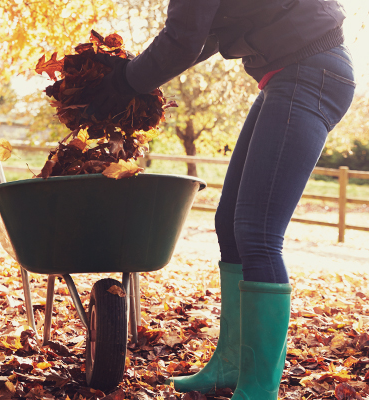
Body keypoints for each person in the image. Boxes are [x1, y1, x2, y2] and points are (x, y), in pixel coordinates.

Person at [88, 0, 355, 398]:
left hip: (310, 70)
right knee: (230, 225)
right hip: (289, 73)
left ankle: (259, 389)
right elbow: (202, 36)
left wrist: (126, 80)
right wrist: (137, 71)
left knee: (258, 232)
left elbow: (183, 39)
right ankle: (231, 364)